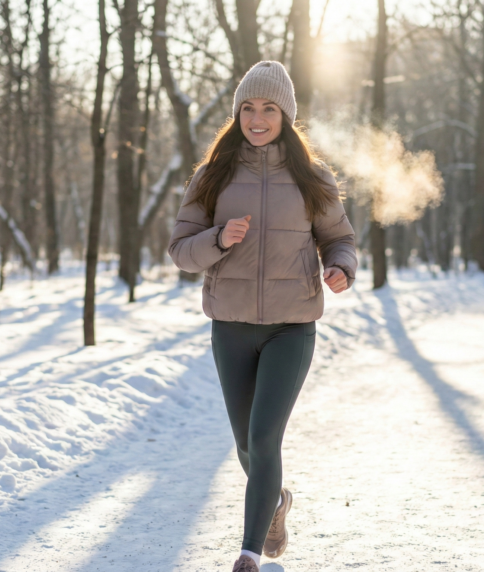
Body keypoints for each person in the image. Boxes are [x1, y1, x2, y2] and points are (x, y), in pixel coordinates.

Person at [167, 61, 357, 572]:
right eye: (248, 108)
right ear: (237, 114)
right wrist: (217, 239)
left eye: (268, 108)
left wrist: (340, 267)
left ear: (285, 116)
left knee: (264, 436)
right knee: (246, 444)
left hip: (291, 326)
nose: (257, 118)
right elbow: (180, 251)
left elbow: (340, 238)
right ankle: (273, 503)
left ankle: (248, 551)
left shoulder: (312, 177)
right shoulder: (213, 177)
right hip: (230, 327)